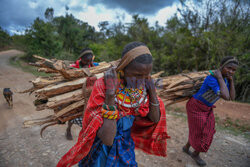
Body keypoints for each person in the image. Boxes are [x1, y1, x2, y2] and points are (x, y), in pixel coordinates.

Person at [57, 41, 170, 167]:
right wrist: (110, 95)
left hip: (125, 145)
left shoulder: (143, 87)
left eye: (146, 75)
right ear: (123, 68)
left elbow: (154, 119)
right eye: (137, 75)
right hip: (100, 148)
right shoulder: (103, 85)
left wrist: (152, 91)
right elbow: (107, 139)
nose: (141, 80)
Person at [182, 56, 239, 166]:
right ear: (221, 66)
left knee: (209, 130)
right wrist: (220, 78)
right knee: (200, 132)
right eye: (229, 68)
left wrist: (231, 81)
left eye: (234, 70)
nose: (231, 71)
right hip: (196, 106)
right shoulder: (212, 79)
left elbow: (232, 97)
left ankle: (186, 147)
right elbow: (226, 97)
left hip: (206, 108)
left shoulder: (225, 80)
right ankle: (195, 154)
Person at [66, 48, 99, 140]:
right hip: (77, 94)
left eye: (89, 61)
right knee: (74, 114)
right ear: (81, 58)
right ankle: (68, 129)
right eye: (85, 61)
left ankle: (86, 134)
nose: (87, 63)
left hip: (89, 94)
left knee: (87, 114)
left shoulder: (94, 65)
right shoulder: (74, 66)